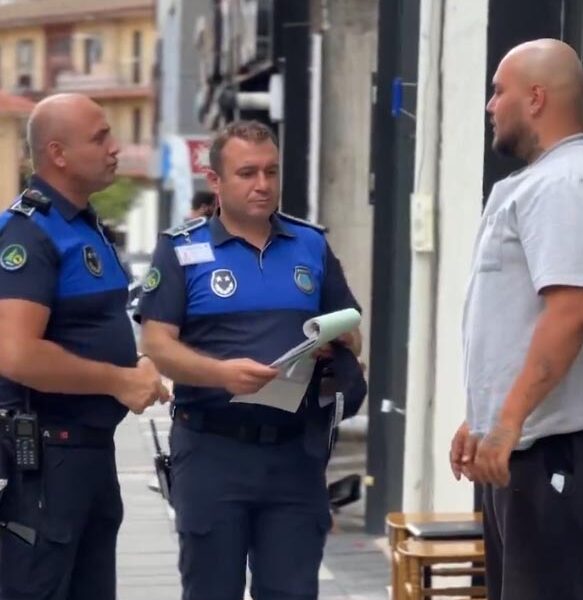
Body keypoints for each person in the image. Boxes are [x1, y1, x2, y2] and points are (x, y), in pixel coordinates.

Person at [138, 119, 362, 600]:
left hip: (294, 453)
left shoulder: (310, 244)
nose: (263, 184)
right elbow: (157, 345)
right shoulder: (181, 249)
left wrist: (335, 341)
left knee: (292, 591)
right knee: (211, 590)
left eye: (271, 171)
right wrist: (221, 374)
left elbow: (352, 333)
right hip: (212, 451)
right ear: (215, 181)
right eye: (247, 173)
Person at [0, 93, 169, 600]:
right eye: (100, 138)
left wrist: (136, 363)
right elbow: (15, 352)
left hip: (89, 454)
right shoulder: (28, 235)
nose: (115, 148)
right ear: (58, 153)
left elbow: (92, 327)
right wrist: (118, 380)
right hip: (46, 462)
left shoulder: (84, 226)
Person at [450, 39, 583, 600]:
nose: (490, 105)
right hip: (521, 449)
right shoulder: (541, 182)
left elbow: (570, 312)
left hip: (548, 451)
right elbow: (514, 320)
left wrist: (506, 423)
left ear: (535, 98)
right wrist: (483, 418)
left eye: (498, 91)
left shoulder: (562, 183)